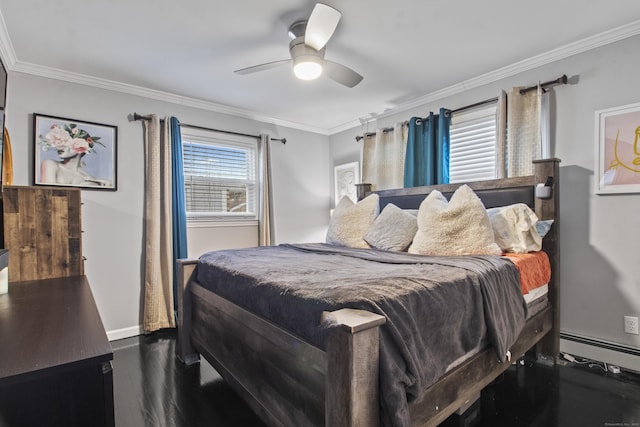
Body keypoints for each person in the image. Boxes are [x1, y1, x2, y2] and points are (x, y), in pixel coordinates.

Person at [38, 122, 111, 187]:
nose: (60, 147)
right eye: (59, 142)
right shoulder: (50, 164)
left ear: (82, 148)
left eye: (67, 143)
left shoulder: (88, 178)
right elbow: (48, 193)